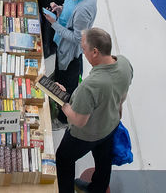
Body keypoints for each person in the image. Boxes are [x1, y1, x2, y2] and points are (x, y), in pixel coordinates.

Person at [53, 27, 132, 193]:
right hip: (110, 125)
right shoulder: (124, 63)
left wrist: (62, 101)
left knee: (63, 159)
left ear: (95, 52)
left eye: (83, 49)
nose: (83, 52)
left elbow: (79, 121)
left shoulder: (91, 85)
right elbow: (122, 95)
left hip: (85, 135)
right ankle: (98, 188)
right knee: (103, 159)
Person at [43, 0, 97, 104]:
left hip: (69, 51)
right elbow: (71, 13)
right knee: (60, 74)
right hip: (62, 42)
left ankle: (61, 111)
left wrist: (54, 23)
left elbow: (78, 38)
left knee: (65, 84)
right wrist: (60, 9)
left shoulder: (83, 10)